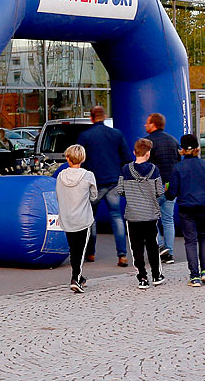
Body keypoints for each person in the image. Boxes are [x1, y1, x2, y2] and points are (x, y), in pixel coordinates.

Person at [167, 133, 205, 286]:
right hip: (204, 207)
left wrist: (166, 193)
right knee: (204, 238)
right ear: (198, 148)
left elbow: (173, 192)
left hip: (186, 208)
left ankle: (194, 276)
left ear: (182, 150)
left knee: (190, 241)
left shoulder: (178, 168)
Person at [79, 105, 133, 266]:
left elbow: (80, 160)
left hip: (94, 182)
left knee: (91, 218)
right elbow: (126, 157)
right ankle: (122, 254)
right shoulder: (116, 134)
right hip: (113, 181)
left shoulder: (85, 136)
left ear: (91, 117)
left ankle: (90, 253)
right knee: (116, 217)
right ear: (104, 116)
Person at [116, 138, 165, 289]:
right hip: (150, 214)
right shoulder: (154, 170)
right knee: (152, 245)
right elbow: (159, 192)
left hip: (133, 215)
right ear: (148, 153)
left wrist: (131, 194)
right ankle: (156, 275)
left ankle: (142, 277)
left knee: (136, 247)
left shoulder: (125, 169)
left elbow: (119, 190)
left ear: (134, 152)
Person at [56, 144, 99, 293]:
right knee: (80, 250)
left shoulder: (61, 176)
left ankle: (79, 277)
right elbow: (94, 196)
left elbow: (57, 195)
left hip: (66, 217)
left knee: (73, 248)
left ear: (68, 158)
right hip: (83, 217)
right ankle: (75, 278)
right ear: (83, 158)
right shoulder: (88, 175)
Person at [145, 112, 181, 264]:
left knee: (148, 217)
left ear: (153, 125)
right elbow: (178, 162)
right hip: (170, 185)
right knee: (168, 219)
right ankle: (169, 253)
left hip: (154, 185)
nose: (145, 125)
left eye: (147, 122)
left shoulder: (147, 143)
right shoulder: (173, 141)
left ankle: (159, 246)